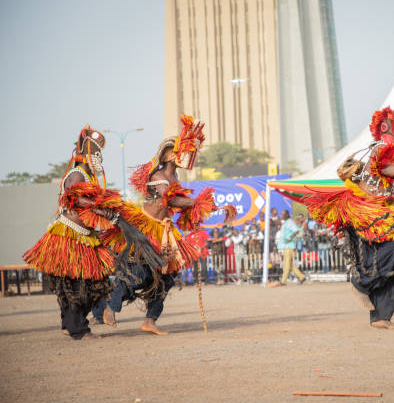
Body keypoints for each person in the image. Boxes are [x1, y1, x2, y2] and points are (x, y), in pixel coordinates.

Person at [101, 114, 236, 335]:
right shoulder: (158, 174)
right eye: (186, 152)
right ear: (172, 154)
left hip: (165, 231)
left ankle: (150, 320)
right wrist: (198, 202)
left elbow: (180, 204)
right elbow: (169, 199)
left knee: (168, 276)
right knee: (138, 273)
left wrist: (205, 210)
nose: (189, 157)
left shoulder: (175, 178)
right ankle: (111, 307)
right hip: (145, 227)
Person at [304, 106, 394, 329]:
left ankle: (381, 317)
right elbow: (384, 168)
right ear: (389, 127)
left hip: (389, 211)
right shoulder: (381, 147)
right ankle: (361, 283)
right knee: (391, 248)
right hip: (367, 211)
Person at [23, 126, 121, 339]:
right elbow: (76, 200)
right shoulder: (77, 174)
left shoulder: (87, 175)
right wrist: (101, 208)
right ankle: (79, 328)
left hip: (85, 237)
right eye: (96, 152)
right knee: (80, 285)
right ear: (86, 154)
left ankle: (70, 324)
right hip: (70, 236)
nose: (99, 157)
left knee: (90, 283)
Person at [278, 210, 307, 285]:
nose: (281, 215)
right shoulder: (285, 222)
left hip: (289, 246)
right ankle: (302, 277)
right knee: (290, 265)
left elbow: (296, 231)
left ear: (287, 214)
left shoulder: (290, 222)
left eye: (282, 214)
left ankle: (283, 281)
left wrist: (290, 238)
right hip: (285, 246)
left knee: (286, 264)